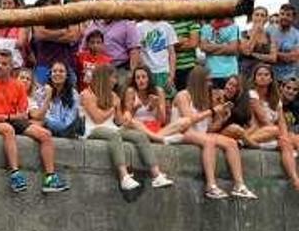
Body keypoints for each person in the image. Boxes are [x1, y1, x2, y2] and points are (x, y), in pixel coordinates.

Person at [0, 49, 70, 193]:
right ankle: (15, 174)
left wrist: (8, 117)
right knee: (7, 129)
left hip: (12, 118)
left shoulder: (18, 86)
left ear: (11, 66)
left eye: (4, 64)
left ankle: (50, 177)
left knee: (45, 134)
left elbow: (23, 114)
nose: (0, 66)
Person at [166, 66, 256, 199]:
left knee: (231, 143)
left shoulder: (205, 99)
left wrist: (221, 118)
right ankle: (211, 186)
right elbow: (188, 120)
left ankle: (239, 185)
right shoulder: (182, 95)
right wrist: (213, 111)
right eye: (207, 80)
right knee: (209, 141)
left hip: (201, 134)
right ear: (198, 80)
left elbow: (208, 129)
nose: (210, 84)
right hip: (182, 132)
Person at [79, 64, 173, 191]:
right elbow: (97, 118)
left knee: (139, 135)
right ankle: (124, 176)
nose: (115, 81)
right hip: (91, 129)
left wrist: (130, 112)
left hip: (112, 127)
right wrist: (113, 107)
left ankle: (156, 175)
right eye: (113, 78)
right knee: (114, 135)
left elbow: (118, 121)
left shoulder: (113, 95)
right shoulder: (86, 94)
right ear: (104, 78)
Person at [30, 61, 82, 138]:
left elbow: (68, 121)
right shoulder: (41, 92)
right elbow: (38, 115)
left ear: (67, 75)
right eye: (54, 71)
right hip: (46, 127)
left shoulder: (73, 94)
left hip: (63, 127)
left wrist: (46, 121)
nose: (57, 73)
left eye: (61, 71)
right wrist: (48, 96)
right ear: (50, 75)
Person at [136, 15, 177, 96]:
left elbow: (172, 53)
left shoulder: (167, 27)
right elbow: (138, 52)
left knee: (167, 100)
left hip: (164, 71)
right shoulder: (139, 27)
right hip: (148, 72)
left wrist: (171, 75)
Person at [170, 0, 200, 91]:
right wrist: (179, 42)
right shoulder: (168, 23)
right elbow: (165, 47)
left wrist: (173, 46)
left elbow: (193, 43)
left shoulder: (191, 20)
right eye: (176, 0)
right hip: (173, 68)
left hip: (189, 67)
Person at [200, 17, 240, 89]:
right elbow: (203, 47)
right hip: (211, 72)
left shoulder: (234, 27)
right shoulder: (206, 28)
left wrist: (211, 47)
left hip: (230, 72)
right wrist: (225, 46)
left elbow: (233, 49)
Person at [240, 6, 277, 79]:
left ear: (266, 19)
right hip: (248, 73)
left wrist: (254, 55)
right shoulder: (244, 34)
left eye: (262, 15)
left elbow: (273, 58)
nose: (259, 17)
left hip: (265, 74)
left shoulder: (270, 36)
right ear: (252, 17)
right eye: (257, 14)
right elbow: (247, 51)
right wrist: (255, 32)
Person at [268, 4, 299, 83]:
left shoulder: (296, 35)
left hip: (289, 78)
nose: (284, 17)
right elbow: (262, 51)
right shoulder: (269, 30)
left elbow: (294, 57)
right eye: (282, 14)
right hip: (270, 77)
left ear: (294, 18)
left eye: (288, 15)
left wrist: (273, 53)